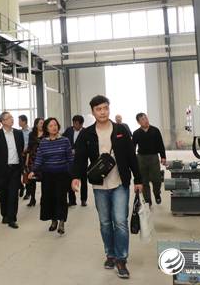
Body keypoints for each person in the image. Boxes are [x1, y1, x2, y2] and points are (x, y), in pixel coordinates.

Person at [72, 95, 142, 279]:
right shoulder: (88, 133)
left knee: (120, 221)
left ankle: (121, 259)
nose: (103, 112)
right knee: (104, 222)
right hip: (99, 184)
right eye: (98, 109)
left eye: (105, 108)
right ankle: (110, 254)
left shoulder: (121, 130)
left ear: (109, 109)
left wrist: (138, 179)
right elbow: (80, 158)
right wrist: (75, 177)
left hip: (120, 182)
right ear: (93, 112)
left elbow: (131, 155)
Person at [28, 118, 73, 235]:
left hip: (62, 175)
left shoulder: (65, 141)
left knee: (61, 198)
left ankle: (61, 222)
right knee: (50, 199)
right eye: (51, 125)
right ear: (46, 129)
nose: (54, 127)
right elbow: (39, 158)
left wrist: (74, 174)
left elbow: (70, 159)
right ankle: (54, 221)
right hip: (48, 175)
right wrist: (33, 171)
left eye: (55, 125)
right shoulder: (43, 142)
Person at [0, 112, 25, 229]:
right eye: (8, 118)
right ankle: (5, 215)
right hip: (2, 168)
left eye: (11, 117)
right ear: (3, 122)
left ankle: (12, 218)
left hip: (15, 167)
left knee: (13, 193)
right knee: (4, 192)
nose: (11, 119)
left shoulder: (18, 133)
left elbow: (20, 148)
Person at [132, 113, 166, 206]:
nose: (145, 120)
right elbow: (133, 147)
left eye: (146, 118)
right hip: (141, 158)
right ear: (138, 122)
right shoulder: (136, 133)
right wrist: (133, 160)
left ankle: (157, 193)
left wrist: (163, 157)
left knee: (156, 179)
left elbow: (160, 144)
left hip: (153, 157)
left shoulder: (155, 131)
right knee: (144, 180)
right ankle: (147, 200)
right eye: (143, 119)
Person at [62, 115, 87, 207]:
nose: (74, 125)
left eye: (76, 123)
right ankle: (72, 200)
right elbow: (63, 139)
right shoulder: (69, 130)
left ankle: (83, 199)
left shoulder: (85, 132)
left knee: (83, 180)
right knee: (70, 179)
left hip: (82, 159)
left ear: (81, 124)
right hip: (70, 159)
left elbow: (87, 146)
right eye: (74, 123)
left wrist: (76, 151)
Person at [24, 117, 44, 207]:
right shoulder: (32, 134)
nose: (42, 125)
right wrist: (27, 160)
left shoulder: (47, 134)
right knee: (32, 180)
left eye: (43, 123)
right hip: (33, 159)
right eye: (40, 123)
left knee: (44, 179)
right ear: (36, 124)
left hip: (43, 159)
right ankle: (32, 199)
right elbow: (29, 148)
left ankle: (43, 198)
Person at [18, 115, 31, 199]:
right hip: (20, 154)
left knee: (27, 173)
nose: (18, 123)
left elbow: (32, 142)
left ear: (24, 121)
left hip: (29, 155)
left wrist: (26, 149)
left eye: (19, 121)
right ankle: (21, 186)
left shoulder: (31, 131)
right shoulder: (18, 132)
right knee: (18, 173)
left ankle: (28, 193)